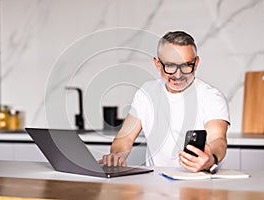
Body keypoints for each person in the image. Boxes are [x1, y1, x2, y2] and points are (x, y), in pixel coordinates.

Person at [99, 31, 230, 172]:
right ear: (157, 64)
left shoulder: (211, 97)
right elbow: (125, 138)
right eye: (170, 66)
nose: (178, 75)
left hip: (198, 182)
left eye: (186, 65)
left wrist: (211, 158)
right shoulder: (146, 93)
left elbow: (218, 140)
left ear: (196, 63)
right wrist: (117, 155)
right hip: (155, 183)